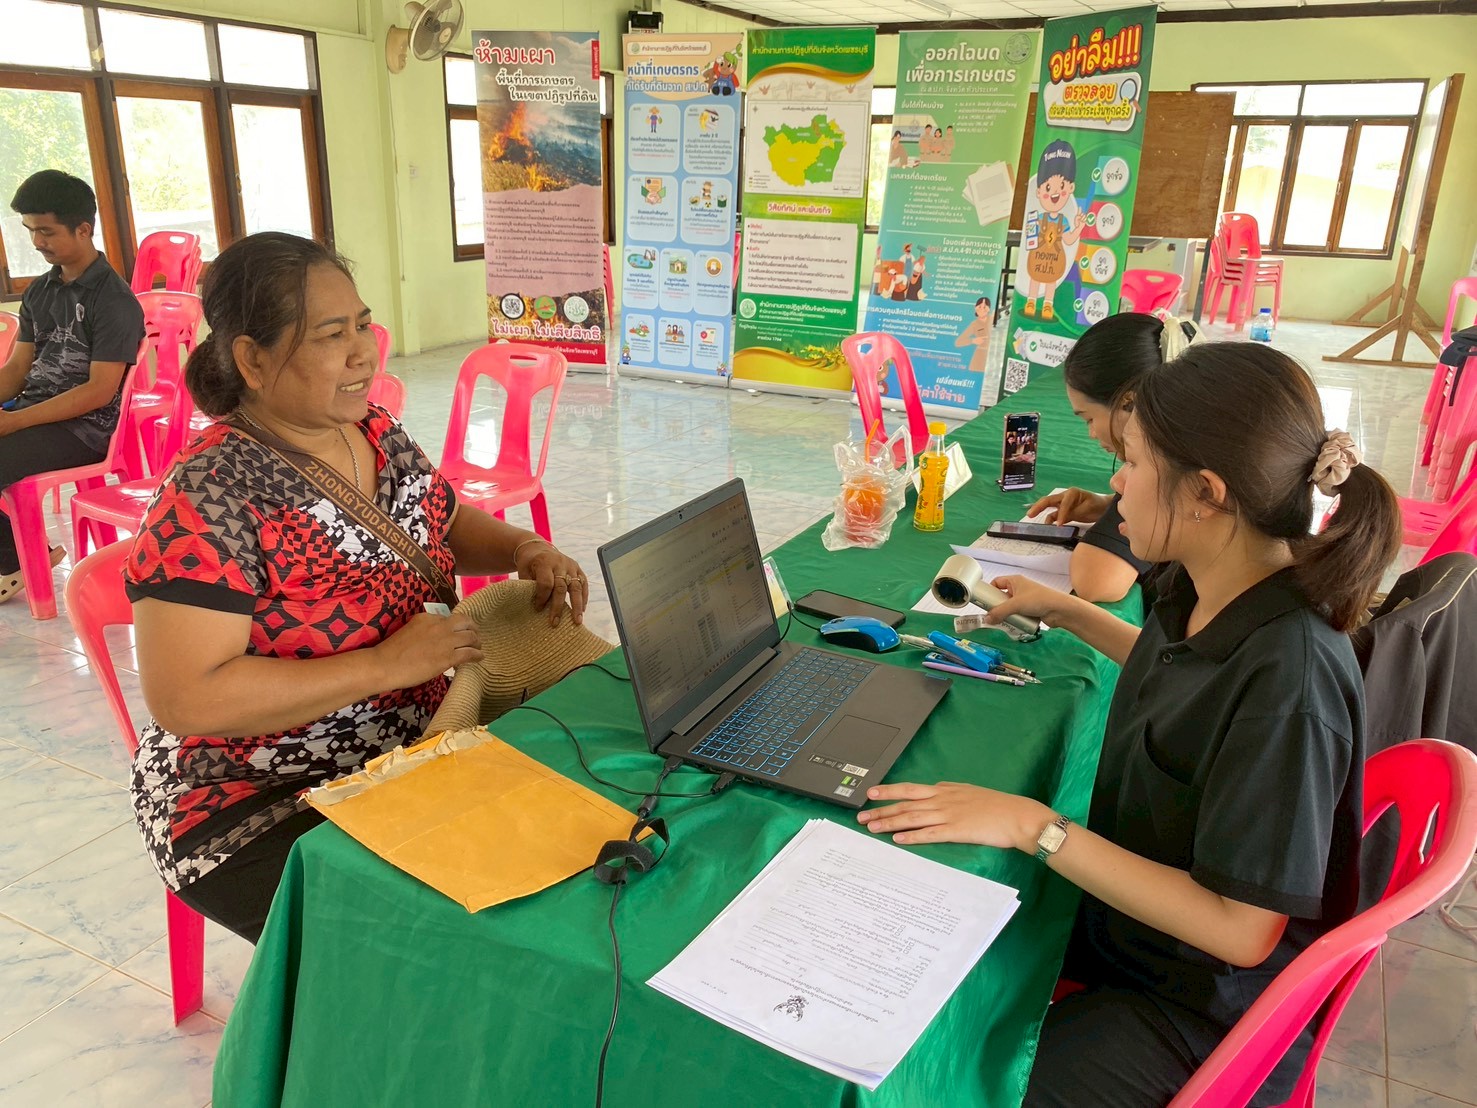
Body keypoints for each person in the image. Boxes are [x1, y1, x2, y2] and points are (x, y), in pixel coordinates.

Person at [859, 341, 1402, 1107]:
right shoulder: (1206, 582)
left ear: (1205, 491)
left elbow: (1239, 931)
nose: (1114, 483)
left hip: (1193, 1010)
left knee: (957, 1073)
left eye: (1134, 463)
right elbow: (1178, 670)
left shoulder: (1292, 679)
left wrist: (1035, 827)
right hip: (1136, 941)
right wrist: (1070, 611)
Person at [126, 232, 597, 943]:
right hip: (255, 797)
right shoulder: (211, 493)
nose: (361, 352)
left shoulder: (372, 429)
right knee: (456, 938)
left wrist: (521, 545)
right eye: (329, 335)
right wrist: (383, 666)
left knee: (586, 818)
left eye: (360, 325)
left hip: (419, 739)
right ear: (252, 359)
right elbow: (187, 696)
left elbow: (436, 517)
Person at [0, 170, 144, 604]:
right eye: (31, 231)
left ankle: (14, 562)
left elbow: (100, 391)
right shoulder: (40, 291)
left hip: (88, 429)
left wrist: (14, 421)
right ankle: (25, 554)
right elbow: (17, 368)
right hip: (38, 412)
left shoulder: (113, 300)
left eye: (47, 231)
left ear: (84, 228)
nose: (37, 242)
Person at [1032, 312, 1202, 603]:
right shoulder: (1198, 432)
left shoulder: (1172, 460)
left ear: (1129, 402)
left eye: (1089, 419)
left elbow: (1098, 583)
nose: (1091, 434)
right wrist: (1106, 506)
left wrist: (1125, 509)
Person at [954, 296, 993, 375]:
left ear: (989, 309)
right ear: (975, 308)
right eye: (980, 307)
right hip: (979, 359)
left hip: (992, 357)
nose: (982, 309)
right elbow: (958, 342)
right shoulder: (974, 325)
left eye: (985, 307)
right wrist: (972, 341)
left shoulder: (992, 319)